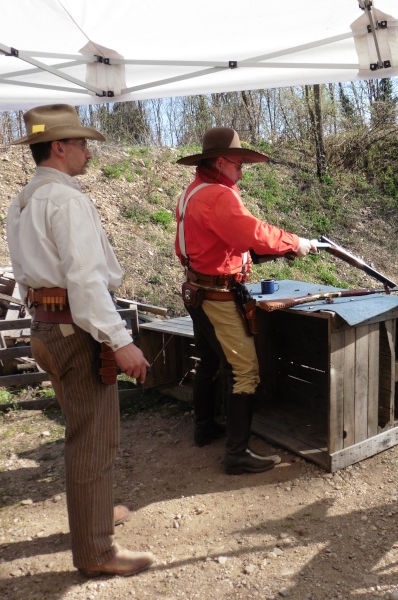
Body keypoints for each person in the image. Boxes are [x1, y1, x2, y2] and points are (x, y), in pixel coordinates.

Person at [6, 104, 155, 577]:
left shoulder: (25, 199)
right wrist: (120, 341)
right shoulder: (65, 200)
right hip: (74, 328)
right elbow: (86, 282)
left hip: (48, 327)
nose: (89, 151)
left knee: (82, 433)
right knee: (94, 441)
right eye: (83, 143)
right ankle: (96, 551)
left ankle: (94, 515)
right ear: (60, 146)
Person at [175, 127, 316, 475]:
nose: (242, 169)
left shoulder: (193, 191)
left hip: (198, 288)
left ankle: (204, 427)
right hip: (216, 295)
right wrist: (293, 242)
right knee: (246, 370)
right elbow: (251, 233)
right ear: (221, 162)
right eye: (238, 162)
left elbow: (225, 241)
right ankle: (236, 453)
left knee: (209, 360)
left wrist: (269, 252)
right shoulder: (219, 196)